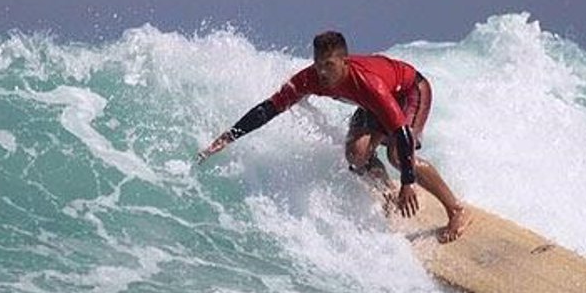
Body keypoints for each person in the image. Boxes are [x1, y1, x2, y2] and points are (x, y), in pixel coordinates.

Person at [198, 31, 468, 243]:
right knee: (356, 155)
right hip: (373, 105)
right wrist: (230, 135)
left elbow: (401, 132)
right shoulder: (309, 79)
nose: (322, 72)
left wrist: (409, 181)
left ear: (344, 62)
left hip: (409, 92)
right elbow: (269, 108)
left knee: (398, 154)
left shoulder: (368, 82)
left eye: (329, 65)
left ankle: (456, 209)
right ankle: (389, 194)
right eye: (318, 65)